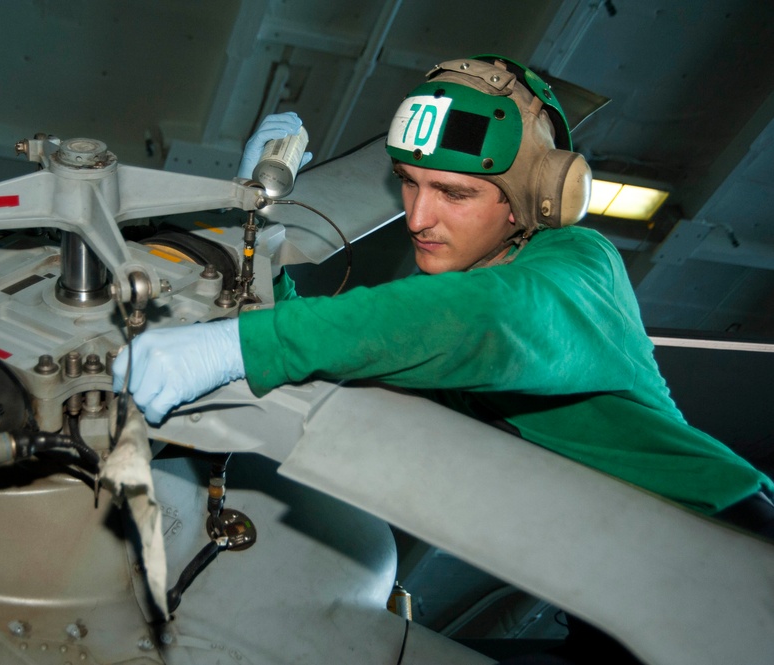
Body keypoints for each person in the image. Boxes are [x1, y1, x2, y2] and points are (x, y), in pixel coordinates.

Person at [115, 52, 773, 663]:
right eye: (407, 182)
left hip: (731, 566)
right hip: (612, 615)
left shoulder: (577, 268)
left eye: (453, 193)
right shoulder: (429, 330)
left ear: (533, 199)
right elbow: (331, 353)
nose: (417, 216)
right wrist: (256, 224)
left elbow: (490, 317)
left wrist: (237, 345)